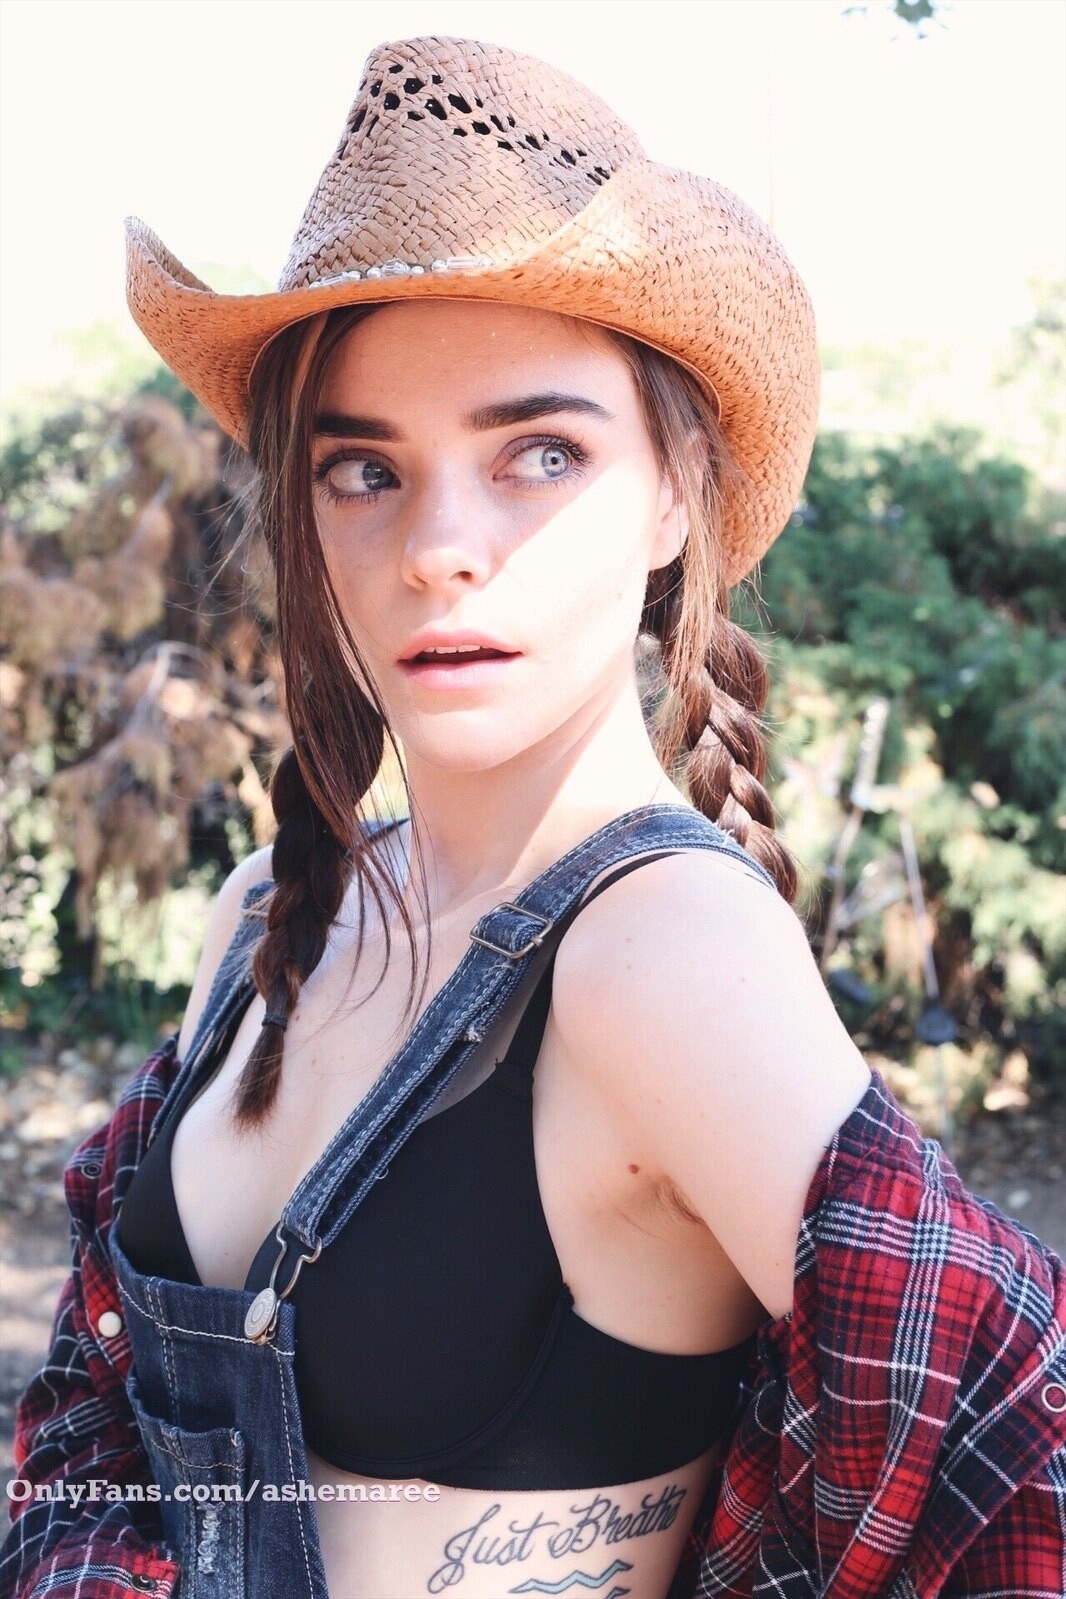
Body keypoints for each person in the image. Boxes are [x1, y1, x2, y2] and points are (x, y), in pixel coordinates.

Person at [3, 34, 1063, 1599]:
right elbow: (94, 1432)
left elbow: (1014, 1460)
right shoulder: (267, 918)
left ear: (673, 496)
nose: (439, 545)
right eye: (362, 470)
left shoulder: (662, 952)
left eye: (538, 454)